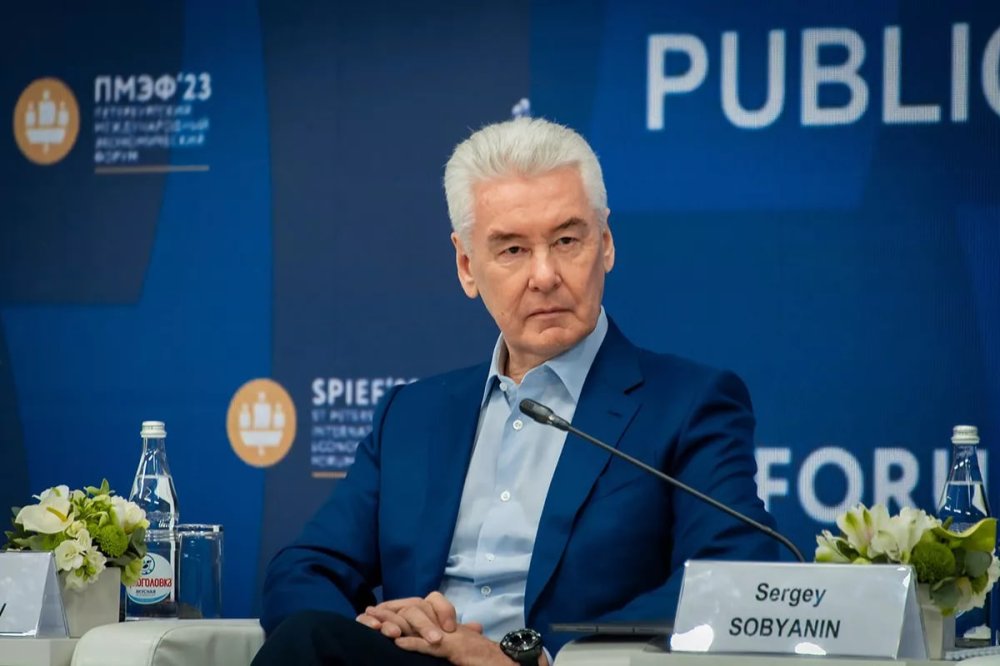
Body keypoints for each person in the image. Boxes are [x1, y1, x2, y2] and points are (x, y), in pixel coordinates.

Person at [251, 117, 779, 666]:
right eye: (512, 250)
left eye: (566, 241)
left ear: (605, 244)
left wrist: (544, 659)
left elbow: (735, 569)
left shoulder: (687, 403)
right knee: (309, 639)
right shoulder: (411, 416)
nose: (545, 275)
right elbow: (302, 570)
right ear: (466, 266)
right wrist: (384, 626)